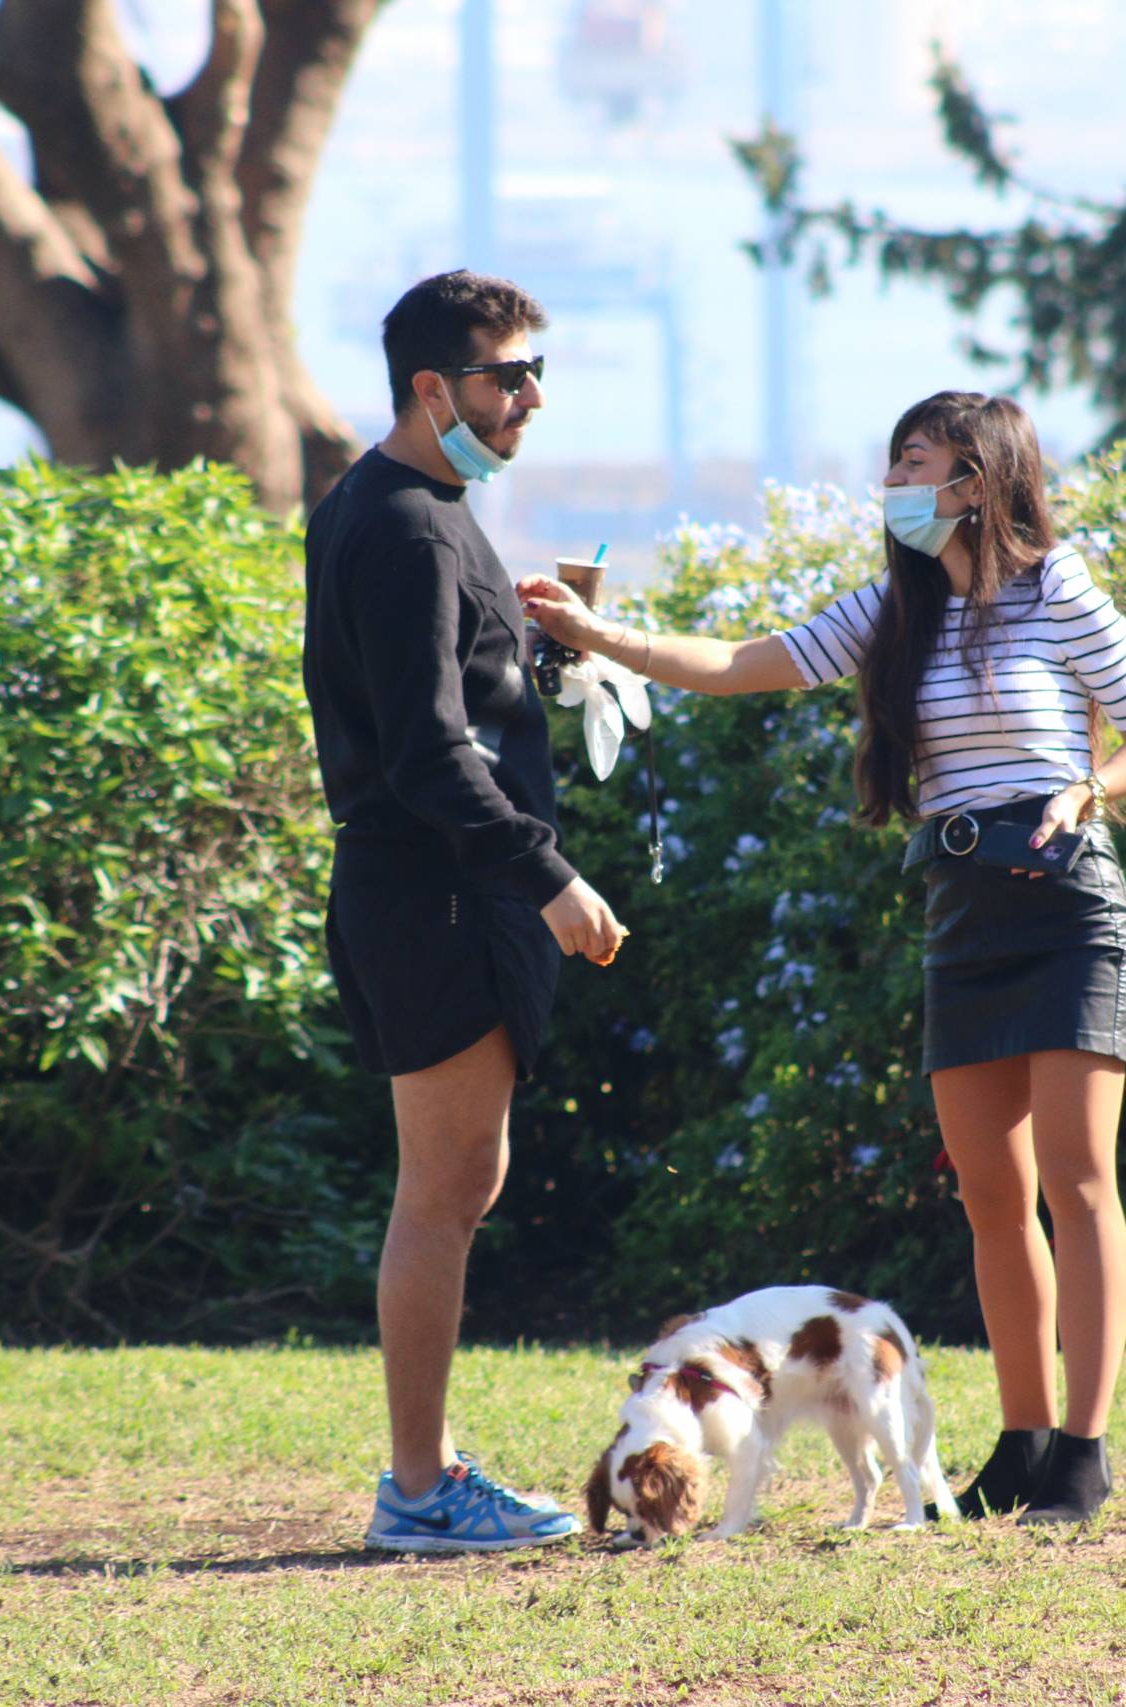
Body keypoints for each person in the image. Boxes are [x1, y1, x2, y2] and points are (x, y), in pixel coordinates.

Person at [519, 391, 1126, 1525]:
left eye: (914, 464)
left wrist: (1088, 786)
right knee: (990, 1198)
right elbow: (736, 661)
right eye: (893, 466)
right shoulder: (895, 612)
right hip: (962, 913)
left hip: (1068, 904)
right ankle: (1019, 1446)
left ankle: (1082, 1451)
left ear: (975, 481)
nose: (894, 487)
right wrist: (597, 638)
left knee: (1077, 1183)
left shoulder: (1057, 589)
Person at [304, 270, 630, 1552]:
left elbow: (448, 703)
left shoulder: (405, 506)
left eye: (538, 374)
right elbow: (427, 757)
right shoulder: (407, 523)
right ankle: (420, 1490)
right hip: (435, 891)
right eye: (507, 378)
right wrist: (549, 879)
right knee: (442, 1193)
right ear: (432, 386)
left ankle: (426, 1475)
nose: (530, 401)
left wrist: (542, 651)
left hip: (425, 887)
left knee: (454, 1184)